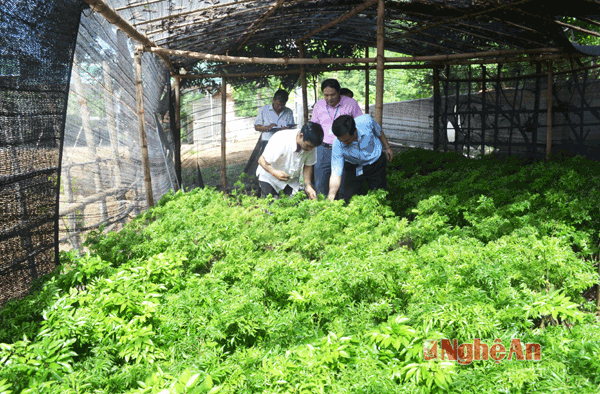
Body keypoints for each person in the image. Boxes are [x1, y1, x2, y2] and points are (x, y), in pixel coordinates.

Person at [310, 79, 362, 198]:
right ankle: (322, 209)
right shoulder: (318, 106)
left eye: (332, 94)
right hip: (323, 149)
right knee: (321, 182)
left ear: (339, 92)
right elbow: (314, 127)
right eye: (326, 95)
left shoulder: (351, 103)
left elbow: (360, 123)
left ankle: (343, 208)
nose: (329, 98)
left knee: (345, 182)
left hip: (346, 147)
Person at [328, 114, 393, 203]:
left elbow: (379, 131)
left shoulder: (366, 121)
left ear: (355, 131)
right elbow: (336, 172)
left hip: (375, 162)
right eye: (341, 140)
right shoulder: (337, 144)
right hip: (353, 166)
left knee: (379, 195)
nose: (344, 143)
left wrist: (388, 147)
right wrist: (331, 195)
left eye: (346, 140)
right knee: (349, 198)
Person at [257, 122, 324, 200]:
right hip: (269, 178)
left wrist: (308, 185)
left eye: (312, 147)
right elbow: (261, 160)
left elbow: (308, 165)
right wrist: (274, 172)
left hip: (290, 181)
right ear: (301, 135)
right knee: (272, 207)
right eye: (308, 146)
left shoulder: (311, 144)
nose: (310, 149)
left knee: (293, 206)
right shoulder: (281, 139)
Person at [244, 89, 295, 180]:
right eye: (278, 104)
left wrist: (287, 129)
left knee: (282, 164)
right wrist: (268, 127)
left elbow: (292, 128)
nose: (280, 107)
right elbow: (257, 127)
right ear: (273, 100)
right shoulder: (264, 110)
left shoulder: (288, 112)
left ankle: (281, 182)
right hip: (267, 142)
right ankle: (266, 184)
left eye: (282, 105)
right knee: (266, 164)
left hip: (283, 142)